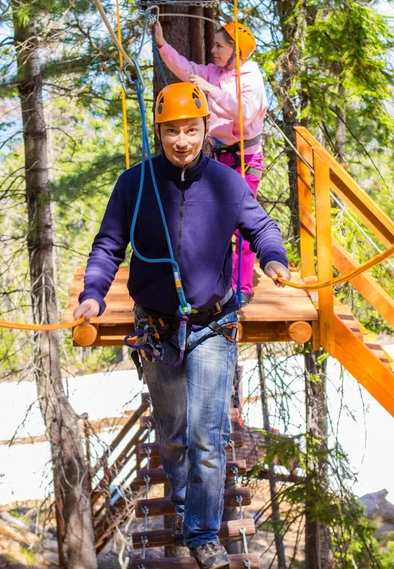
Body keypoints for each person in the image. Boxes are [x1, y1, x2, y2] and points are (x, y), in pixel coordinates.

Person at [73, 82, 290, 569]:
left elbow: (261, 227)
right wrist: (92, 293)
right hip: (157, 328)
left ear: (203, 131)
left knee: (206, 436)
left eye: (190, 130)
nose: (182, 141)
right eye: (172, 131)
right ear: (160, 132)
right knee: (173, 432)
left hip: (213, 324)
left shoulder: (226, 183)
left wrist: (273, 258)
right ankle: (187, 507)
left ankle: (202, 534)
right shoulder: (135, 184)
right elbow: (108, 246)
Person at [154, 20, 268, 307]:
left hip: (245, 158)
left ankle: (241, 288)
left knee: (242, 225)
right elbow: (186, 68)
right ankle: (215, 280)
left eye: (220, 46)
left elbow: (243, 112)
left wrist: (211, 90)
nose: (213, 50)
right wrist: (162, 46)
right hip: (219, 158)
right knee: (213, 223)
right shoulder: (216, 72)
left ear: (237, 51)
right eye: (215, 45)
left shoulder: (251, 77)